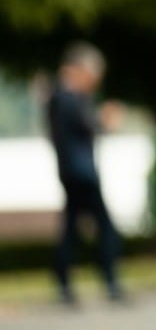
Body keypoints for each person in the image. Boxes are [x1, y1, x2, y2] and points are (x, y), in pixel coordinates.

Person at [45, 41, 126, 306]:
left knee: (71, 230)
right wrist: (105, 120)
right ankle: (110, 281)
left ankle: (65, 283)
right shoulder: (67, 98)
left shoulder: (60, 98)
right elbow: (87, 126)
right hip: (81, 173)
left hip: (72, 172)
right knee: (105, 228)